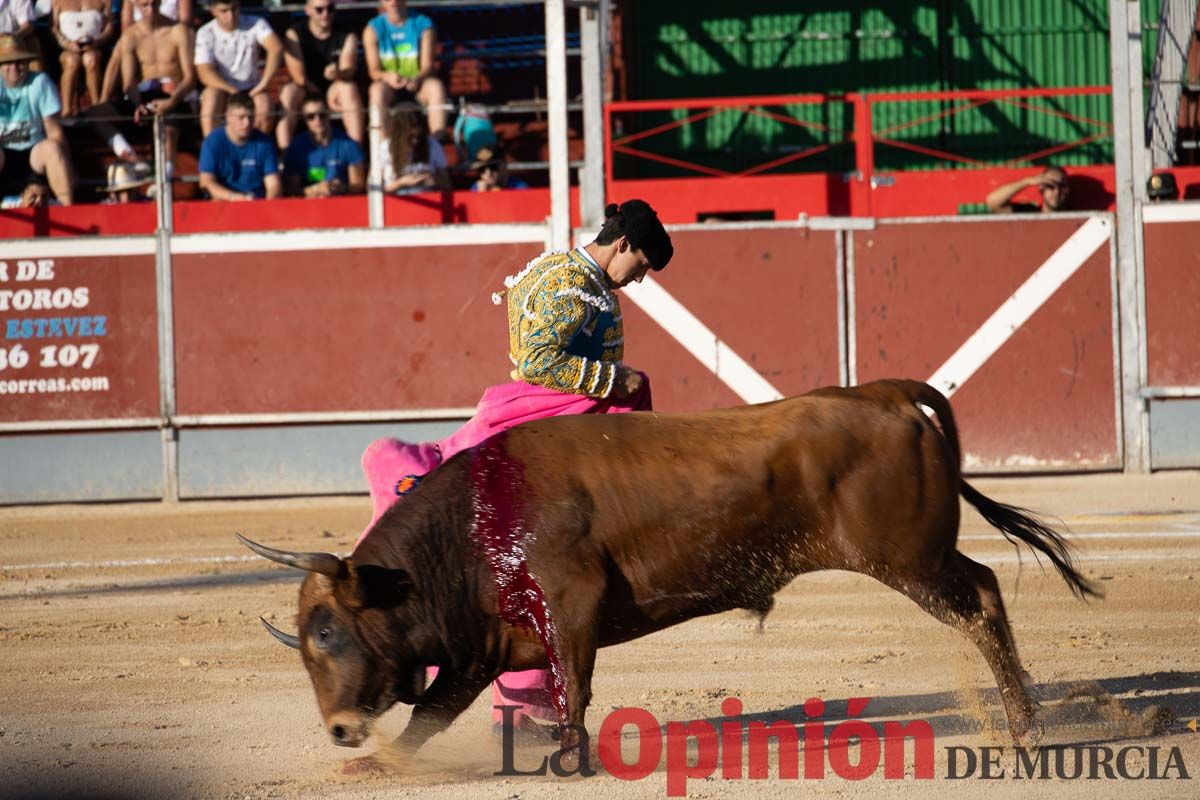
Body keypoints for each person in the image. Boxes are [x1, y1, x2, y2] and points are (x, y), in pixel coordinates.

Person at [356, 199, 674, 736]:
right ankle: (515, 703)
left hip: (547, 417)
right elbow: (537, 363)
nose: (639, 279)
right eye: (640, 266)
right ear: (622, 244)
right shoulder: (570, 284)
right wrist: (611, 384)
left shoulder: (573, 276)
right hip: (540, 422)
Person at [107, 0, 195, 171]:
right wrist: (137, 103)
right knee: (97, 113)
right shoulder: (130, 36)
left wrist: (173, 101)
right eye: (145, 5)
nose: (150, 10)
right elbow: (128, 82)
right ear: (136, 6)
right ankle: (129, 155)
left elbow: (190, 77)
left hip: (174, 94)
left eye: (154, 4)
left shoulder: (178, 31)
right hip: (145, 95)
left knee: (168, 130)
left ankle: (165, 178)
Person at [276, 0, 362, 149]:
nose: (325, 14)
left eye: (330, 9)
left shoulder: (347, 34)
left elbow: (348, 70)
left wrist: (337, 75)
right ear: (308, 10)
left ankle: (356, 152)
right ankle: (286, 155)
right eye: (319, 9)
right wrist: (319, 94)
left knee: (349, 89)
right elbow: (299, 77)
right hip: (305, 89)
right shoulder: (294, 34)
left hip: (335, 88)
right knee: (288, 94)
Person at [0, 34, 72, 204]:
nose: (15, 67)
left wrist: (68, 163)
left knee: (52, 148)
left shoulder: (40, 82)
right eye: (8, 63)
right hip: (2, 152)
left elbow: (54, 132)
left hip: (34, 152)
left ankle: (68, 208)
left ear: (27, 62)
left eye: (19, 62)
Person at [194, 0, 282, 137]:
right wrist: (231, 90)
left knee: (264, 106)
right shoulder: (205, 32)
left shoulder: (255, 23)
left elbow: (276, 48)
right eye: (224, 11)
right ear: (213, 11)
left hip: (252, 88)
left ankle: (255, 152)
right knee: (210, 98)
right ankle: (213, 150)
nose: (231, 15)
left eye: (234, 9)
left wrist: (264, 83)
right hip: (222, 89)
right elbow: (204, 72)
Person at [363, 0, 446, 138]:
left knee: (436, 88)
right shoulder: (372, 29)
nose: (394, 1)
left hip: (418, 85)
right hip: (390, 87)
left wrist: (417, 79)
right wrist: (388, 77)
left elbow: (428, 66)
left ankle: (437, 143)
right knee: (377, 91)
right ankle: (382, 149)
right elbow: (374, 71)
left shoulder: (424, 24)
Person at [198, 90, 280, 200]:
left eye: (250, 117)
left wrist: (267, 206)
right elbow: (206, 182)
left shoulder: (265, 143)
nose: (246, 123)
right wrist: (233, 197)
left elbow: (273, 184)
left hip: (255, 203)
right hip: (224, 203)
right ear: (228, 116)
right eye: (241, 117)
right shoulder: (212, 142)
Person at [283, 94, 363, 196]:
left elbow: (358, 186)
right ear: (304, 119)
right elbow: (291, 191)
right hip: (308, 206)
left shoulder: (348, 144)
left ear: (329, 114)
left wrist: (341, 188)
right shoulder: (296, 147)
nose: (318, 120)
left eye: (322, 114)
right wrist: (314, 190)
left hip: (341, 204)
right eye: (311, 116)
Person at [51, 0, 114, 116]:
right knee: (72, 61)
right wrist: (66, 43)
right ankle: (67, 109)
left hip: (94, 46)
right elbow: (54, 28)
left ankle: (97, 107)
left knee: (91, 59)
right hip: (67, 48)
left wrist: (97, 42)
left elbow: (109, 27)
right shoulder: (57, 2)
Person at [378, 108, 447, 193]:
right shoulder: (385, 147)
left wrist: (436, 181)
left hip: (427, 198)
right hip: (394, 201)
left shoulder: (433, 145)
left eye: (419, 137)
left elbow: (447, 183)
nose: (415, 141)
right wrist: (400, 183)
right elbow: (374, 189)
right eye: (410, 137)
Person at [985, 166, 1070, 214]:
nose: (1057, 191)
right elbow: (993, 202)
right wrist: (1027, 181)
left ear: (1068, 190)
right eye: (1050, 185)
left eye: (1062, 186)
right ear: (1041, 188)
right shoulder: (1027, 214)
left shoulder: (1074, 219)